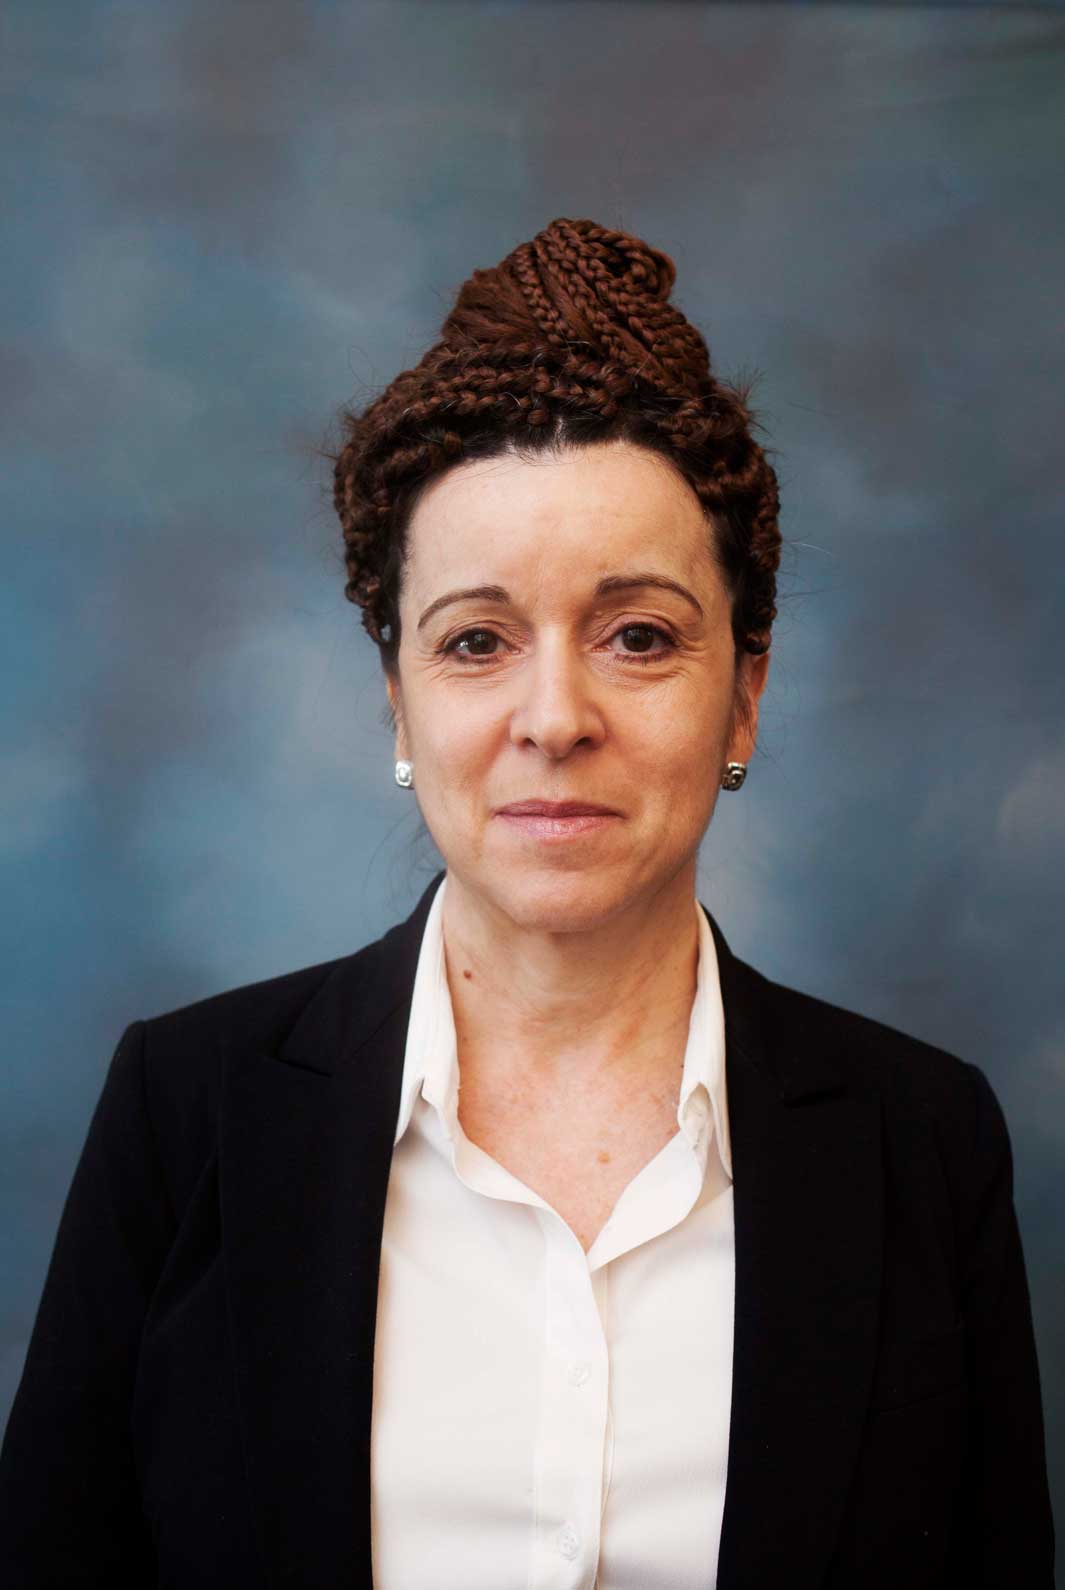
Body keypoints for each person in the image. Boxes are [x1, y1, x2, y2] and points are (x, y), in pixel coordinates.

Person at [0, 217, 1054, 1589]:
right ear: (398, 698)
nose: (554, 716)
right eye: (476, 640)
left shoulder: (924, 1143)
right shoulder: (183, 1112)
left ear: (744, 694)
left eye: (638, 635)